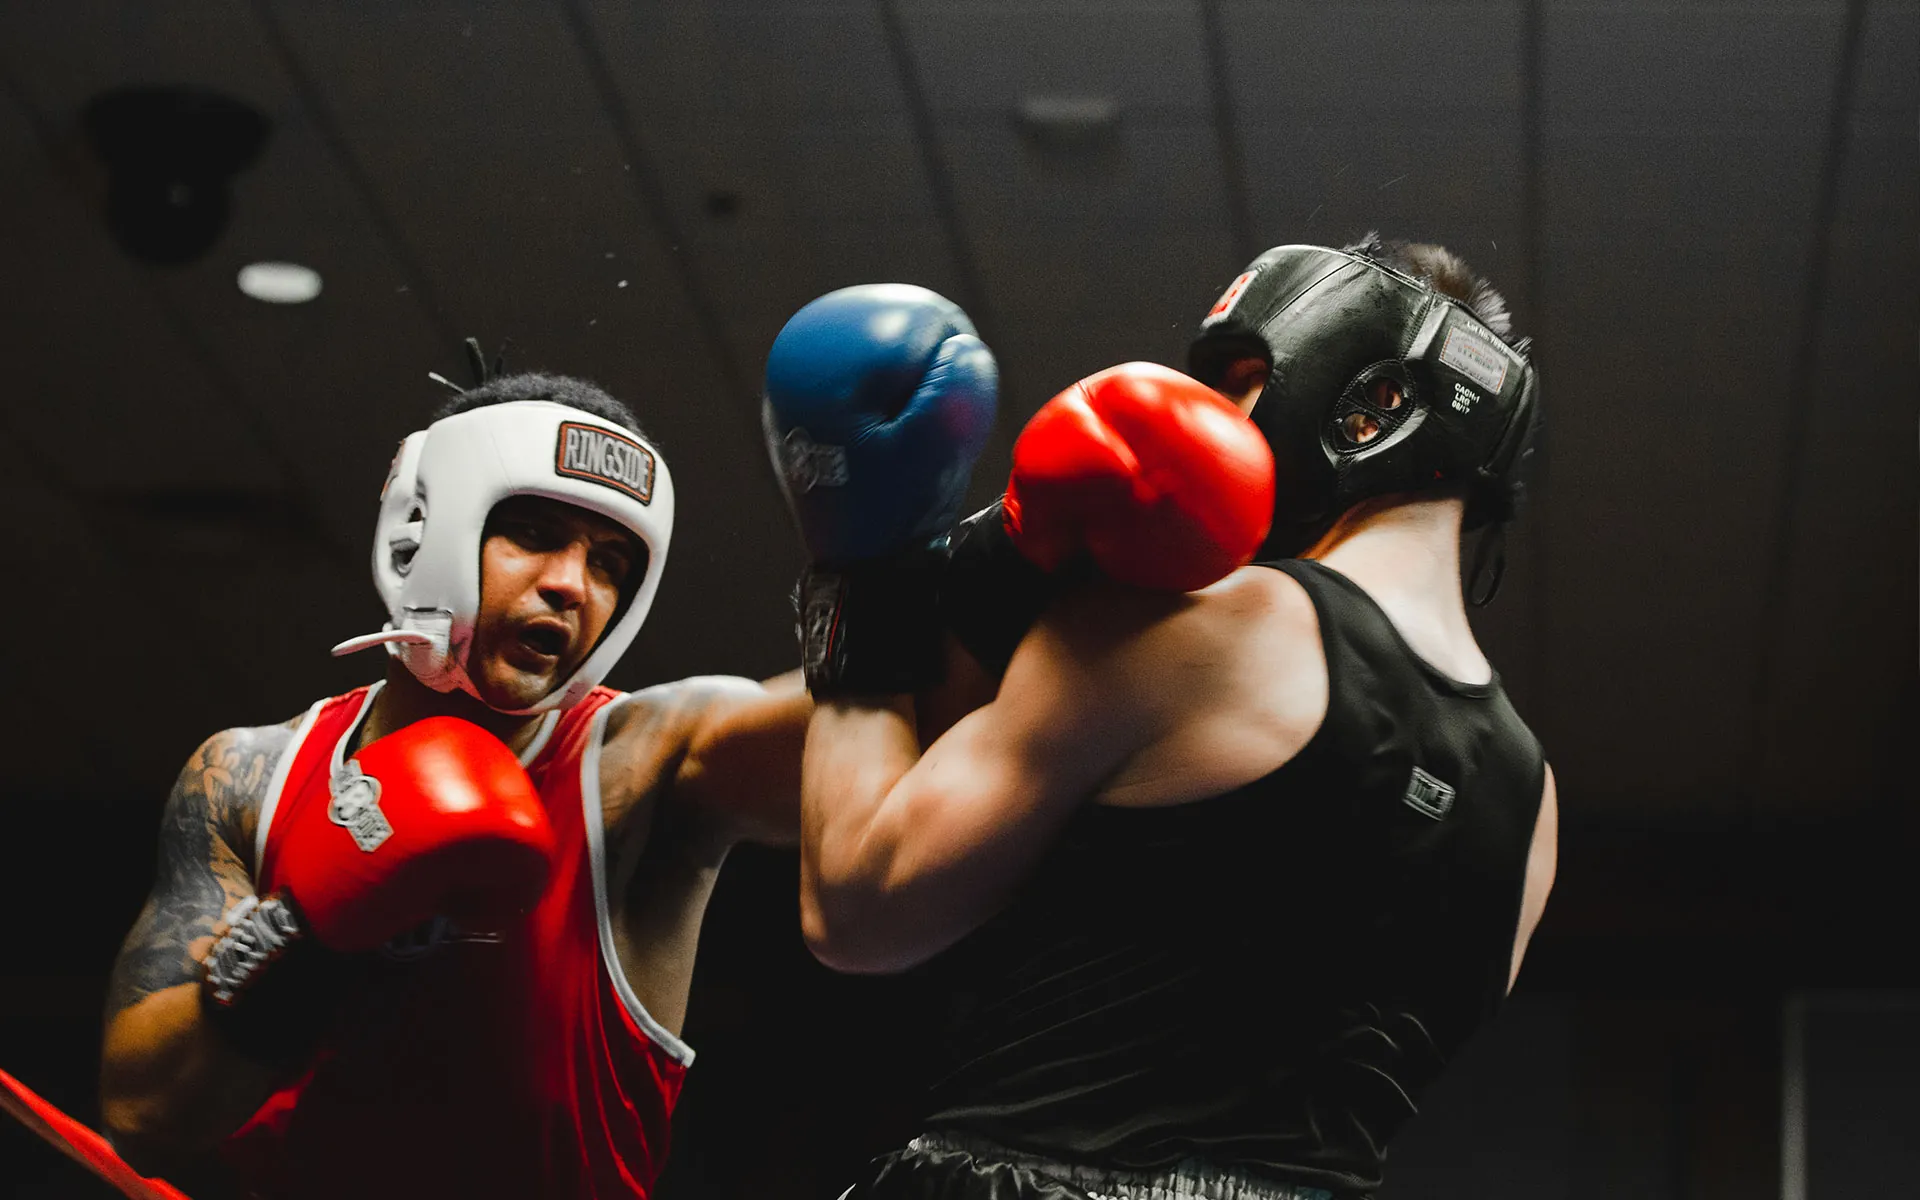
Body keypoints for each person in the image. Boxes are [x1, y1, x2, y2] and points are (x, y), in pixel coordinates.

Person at [765, 238, 1558, 1200]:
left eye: (1243, 380)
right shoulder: (1535, 804)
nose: (1219, 414)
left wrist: (855, 573)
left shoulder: (1198, 628)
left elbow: (858, 907)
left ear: (1371, 406)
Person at [98, 363, 814, 1199]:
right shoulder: (248, 777)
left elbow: (858, 726)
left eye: (611, 562)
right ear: (421, 531)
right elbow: (146, 1112)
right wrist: (307, 927)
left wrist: (916, 576)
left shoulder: (647, 761)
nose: (573, 584)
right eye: (537, 533)